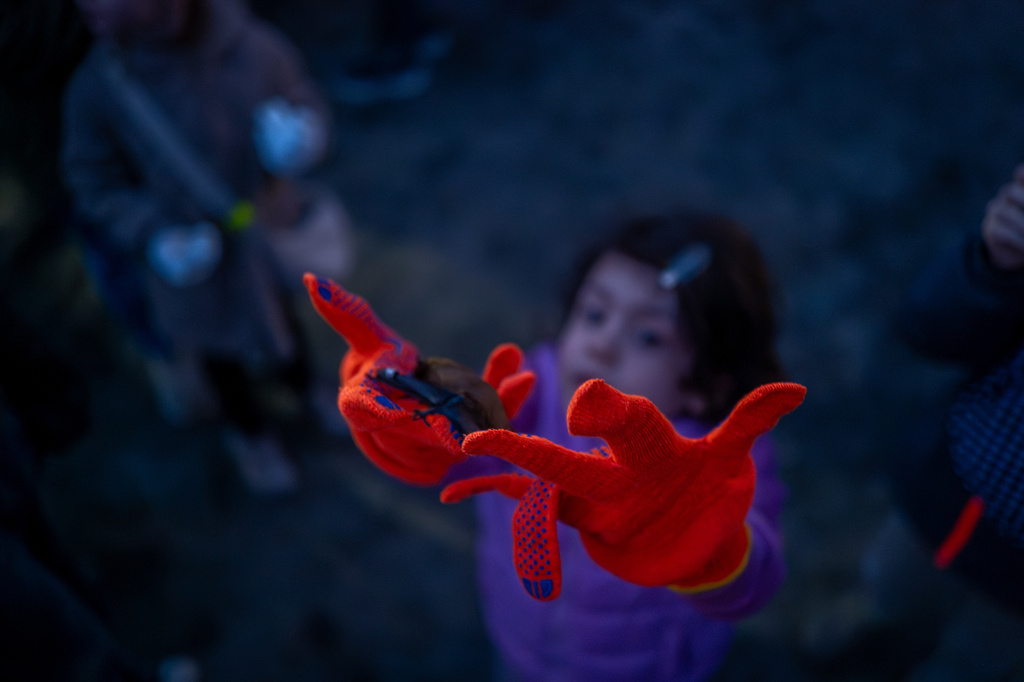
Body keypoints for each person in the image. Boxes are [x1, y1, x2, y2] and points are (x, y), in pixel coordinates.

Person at [305, 210, 805, 681]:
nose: (602, 344)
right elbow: (456, 461)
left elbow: (758, 585)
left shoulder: (720, 469)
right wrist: (409, 423)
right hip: (518, 646)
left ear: (709, 384)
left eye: (649, 337)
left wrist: (701, 543)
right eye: (595, 313)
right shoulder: (528, 394)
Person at [61, 0, 354, 495]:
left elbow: (299, 93)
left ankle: (307, 388)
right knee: (216, 353)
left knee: (282, 319)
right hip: (187, 259)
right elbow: (93, 182)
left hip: (263, 233)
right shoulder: (98, 88)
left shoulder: (248, 42)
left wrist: (304, 133)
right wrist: (152, 234)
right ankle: (251, 433)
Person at [891, 162, 1024, 613]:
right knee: (884, 597)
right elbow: (926, 328)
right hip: (937, 496)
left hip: (1011, 602)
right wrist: (995, 267)